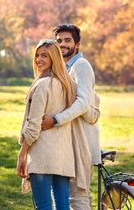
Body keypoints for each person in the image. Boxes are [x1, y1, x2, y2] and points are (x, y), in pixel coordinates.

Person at [17, 39, 96, 210]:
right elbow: (89, 104)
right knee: (62, 207)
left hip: (41, 156)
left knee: (43, 206)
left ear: (54, 57)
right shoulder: (69, 86)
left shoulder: (42, 84)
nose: (39, 60)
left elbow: (33, 126)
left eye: (44, 56)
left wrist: (22, 154)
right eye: (37, 55)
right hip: (62, 157)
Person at [41, 24, 101, 210]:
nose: (62, 44)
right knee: (64, 197)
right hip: (67, 143)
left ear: (77, 44)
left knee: (77, 196)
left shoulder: (80, 65)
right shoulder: (65, 68)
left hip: (81, 142)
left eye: (67, 40)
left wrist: (56, 120)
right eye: (59, 41)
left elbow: (83, 104)